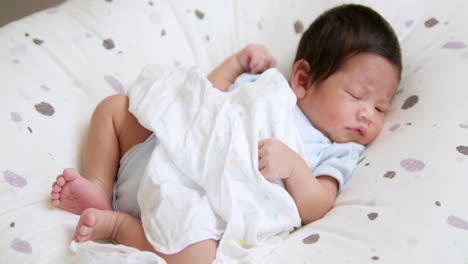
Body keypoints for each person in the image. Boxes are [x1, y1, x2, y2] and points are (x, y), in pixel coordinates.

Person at [50, 4, 401, 264]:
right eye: (356, 96)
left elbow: (317, 205)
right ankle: (98, 185)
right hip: (166, 150)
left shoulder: (338, 149)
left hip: (199, 205)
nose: (367, 114)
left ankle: (119, 227)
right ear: (303, 80)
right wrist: (235, 64)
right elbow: (206, 100)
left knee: (199, 258)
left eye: (381, 107)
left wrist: (294, 168)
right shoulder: (267, 88)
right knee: (114, 108)